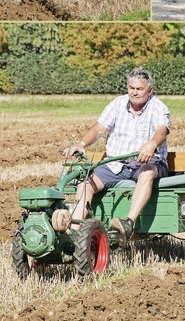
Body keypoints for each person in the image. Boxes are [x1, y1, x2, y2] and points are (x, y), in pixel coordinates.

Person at [63, 68, 171, 243]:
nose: (134, 92)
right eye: (131, 88)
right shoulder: (117, 104)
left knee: (147, 173)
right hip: (115, 164)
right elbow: (99, 128)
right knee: (85, 184)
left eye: (139, 89)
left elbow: (161, 131)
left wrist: (151, 144)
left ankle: (128, 223)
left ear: (149, 91)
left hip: (146, 163)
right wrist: (81, 144)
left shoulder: (158, 107)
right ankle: (73, 231)